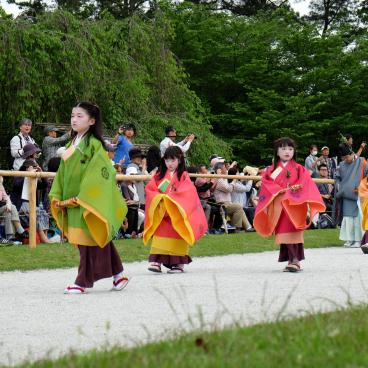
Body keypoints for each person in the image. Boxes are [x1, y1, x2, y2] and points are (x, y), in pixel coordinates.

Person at [49, 102, 129, 294]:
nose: (74, 120)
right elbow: (62, 172)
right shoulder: (71, 143)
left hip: (85, 199)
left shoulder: (94, 145)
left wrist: (85, 196)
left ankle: (82, 281)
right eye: (72, 116)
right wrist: (57, 193)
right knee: (95, 236)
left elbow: (100, 172)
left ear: (92, 121)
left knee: (86, 240)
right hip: (73, 199)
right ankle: (118, 275)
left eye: (79, 116)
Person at [254, 137, 325, 272]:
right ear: (277, 152)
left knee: (293, 230)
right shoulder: (271, 169)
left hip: (295, 204)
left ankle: (295, 260)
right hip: (280, 205)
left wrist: (298, 187)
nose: (287, 151)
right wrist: (280, 190)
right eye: (283, 148)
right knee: (283, 232)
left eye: (290, 149)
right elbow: (267, 184)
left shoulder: (299, 169)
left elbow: (305, 182)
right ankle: (291, 260)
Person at [143, 146, 207, 273]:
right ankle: (156, 261)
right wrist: (160, 198)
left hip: (176, 210)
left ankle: (178, 264)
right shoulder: (159, 175)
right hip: (162, 210)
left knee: (178, 232)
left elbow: (188, 191)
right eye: (167, 160)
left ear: (179, 160)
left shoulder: (183, 175)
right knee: (160, 234)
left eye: (173, 160)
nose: (169, 164)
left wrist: (172, 199)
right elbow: (151, 189)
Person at [335, 143, 366, 248]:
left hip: (359, 195)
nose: (346, 159)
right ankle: (349, 239)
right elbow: (337, 178)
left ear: (352, 154)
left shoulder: (362, 161)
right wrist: (339, 187)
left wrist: (362, 187)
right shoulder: (341, 165)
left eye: (347, 157)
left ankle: (358, 240)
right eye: (343, 158)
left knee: (358, 218)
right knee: (348, 218)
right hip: (346, 195)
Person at [212, 161, 254, 232]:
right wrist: (234, 180)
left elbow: (229, 187)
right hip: (222, 204)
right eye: (225, 167)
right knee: (238, 207)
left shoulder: (223, 178)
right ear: (220, 170)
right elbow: (228, 189)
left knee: (239, 208)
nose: (226, 169)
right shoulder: (219, 179)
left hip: (227, 203)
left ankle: (248, 227)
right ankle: (235, 228)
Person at [0, 176, 28, 242]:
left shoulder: (0, 186)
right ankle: (20, 230)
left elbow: (7, 198)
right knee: (12, 207)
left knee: (8, 211)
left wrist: (8, 205)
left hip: (2, 208)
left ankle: (10, 237)